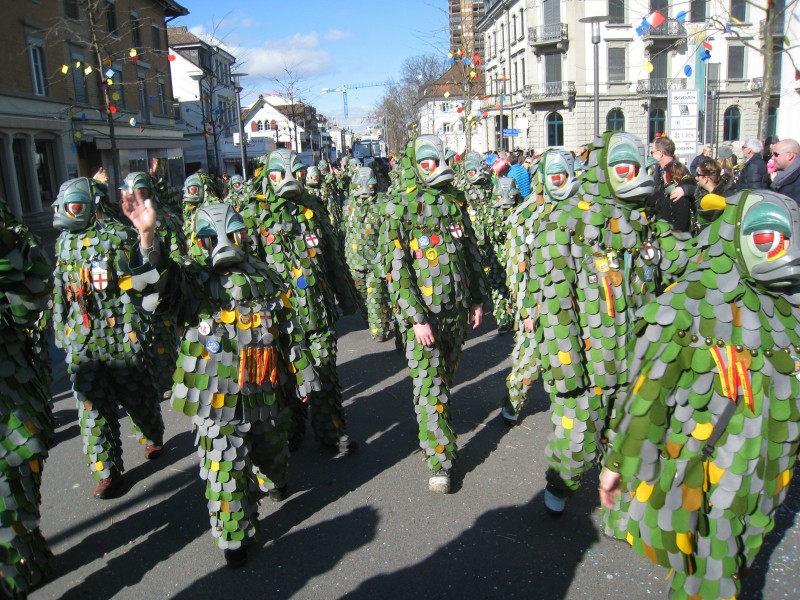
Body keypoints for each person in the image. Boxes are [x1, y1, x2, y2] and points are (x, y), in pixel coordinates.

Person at [599, 188, 800, 600]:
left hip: (769, 472)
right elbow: (649, 388)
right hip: (707, 467)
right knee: (713, 563)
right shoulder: (689, 304)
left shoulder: (792, 311)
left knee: (739, 549)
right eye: (768, 237)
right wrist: (620, 459)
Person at [120, 196, 318, 569]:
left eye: (233, 234)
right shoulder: (191, 281)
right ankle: (234, 537)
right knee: (222, 469)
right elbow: (155, 287)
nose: (223, 245)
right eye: (211, 239)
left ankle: (271, 479)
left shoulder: (264, 275)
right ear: (198, 242)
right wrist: (147, 238)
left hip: (265, 390)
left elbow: (289, 330)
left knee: (273, 457)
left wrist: (302, 377)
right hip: (214, 398)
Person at [525, 131, 689, 515]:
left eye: (635, 165)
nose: (631, 173)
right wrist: (568, 370)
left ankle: (617, 498)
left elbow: (674, 258)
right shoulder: (565, 222)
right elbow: (555, 304)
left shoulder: (644, 220)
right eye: (621, 166)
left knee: (627, 437)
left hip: (634, 359)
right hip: (589, 361)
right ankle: (561, 486)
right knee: (577, 441)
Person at [381, 134, 488, 494]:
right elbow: (397, 269)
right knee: (431, 387)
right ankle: (440, 461)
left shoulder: (455, 203)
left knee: (444, 380)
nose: (436, 167)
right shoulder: (400, 207)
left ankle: (436, 431)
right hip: (424, 318)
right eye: (428, 161)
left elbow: (470, 252)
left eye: (440, 159)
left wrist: (476, 299)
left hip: (455, 311)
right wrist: (416, 317)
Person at [51, 177, 166, 499]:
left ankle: (152, 433)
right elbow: (60, 290)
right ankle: (107, 472)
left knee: (137, 395)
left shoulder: (116, 238)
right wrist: (61, 329)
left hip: (119, 337)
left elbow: (140, 283)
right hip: (82, 342)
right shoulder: (63, 243)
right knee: (92, 409)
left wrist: (144, 236)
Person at [243, 149, 359, 455]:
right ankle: (291, 431)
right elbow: (248, 272)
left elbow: (333, 257)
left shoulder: (313, 208)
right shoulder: (254, 216)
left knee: (325, 374)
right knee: (286, 381)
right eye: (281, 173)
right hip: (280, 321)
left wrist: (347, 299)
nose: (290, 180)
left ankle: (331, 431)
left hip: (318, 311)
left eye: (295, 171)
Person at [501, 149, 581, 426]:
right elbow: (516, 269)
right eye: (553, 176)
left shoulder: (582, 210)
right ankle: (513, 403)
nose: (558, 181)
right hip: (537, 301)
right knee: (528, 359)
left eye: (563, 175)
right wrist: (526, 310)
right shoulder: (525, 217)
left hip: (575, 302)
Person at [0, 197, 54, 597]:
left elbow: (31, 303)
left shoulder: (17, 242)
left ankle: (27, 559)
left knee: (18, 488)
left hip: (11, 391)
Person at [342, 167, 392, 341]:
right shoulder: (349, 205)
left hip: (375, 261)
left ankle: (380, 329)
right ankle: (370, 318)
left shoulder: (382, 204)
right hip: (354, 261)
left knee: (376, 295)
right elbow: (344, 230)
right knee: (362, 295)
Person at [647, 160, 696, 232]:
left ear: (670, 176)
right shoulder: (665, 190)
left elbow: (681, 225)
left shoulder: (680, 196)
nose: (662, 175)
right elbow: (651, 201)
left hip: (674, 237)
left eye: (664, 172)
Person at [694, 157, 737, 227]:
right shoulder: (702, 193)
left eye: (698, 175)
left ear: (705, 179)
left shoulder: (728, 195)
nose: (696, 178)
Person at [770, 138, 800, 204]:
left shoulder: (797, 179)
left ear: (790, 156)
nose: (772, 157)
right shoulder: (783, 174)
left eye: (776, 154)